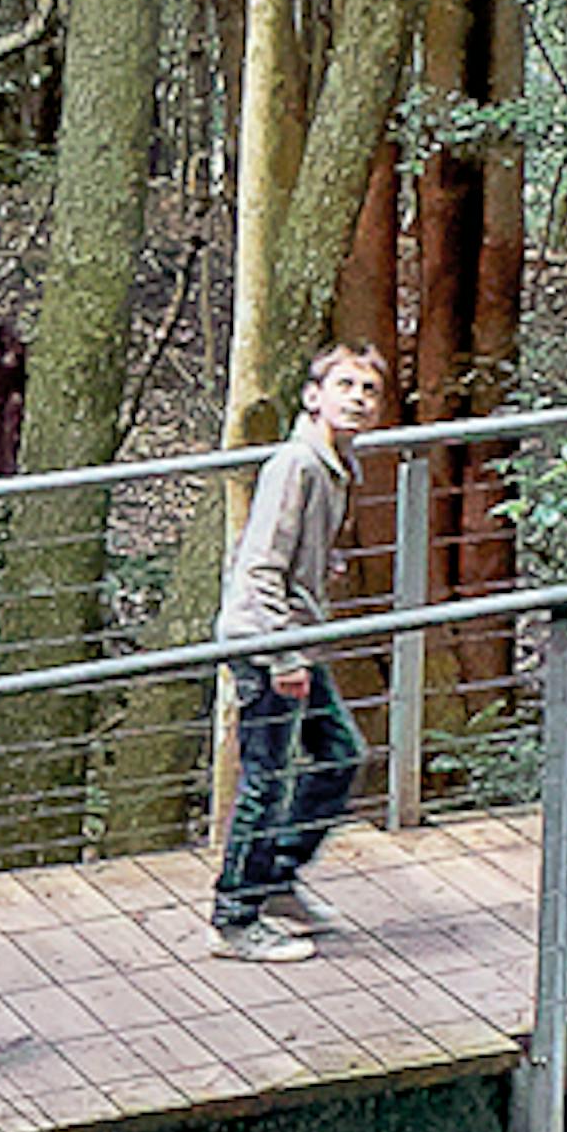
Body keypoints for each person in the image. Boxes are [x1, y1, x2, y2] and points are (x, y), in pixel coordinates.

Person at [210, 338, 387, 960]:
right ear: (314, 397)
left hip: (296, 637)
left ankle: (278, 878)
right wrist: (283, 658)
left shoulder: (336, 465)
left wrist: (325, 565)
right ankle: (236, 916)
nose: (359, 400)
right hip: (267, 643)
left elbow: (292, 555)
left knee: (340, 755)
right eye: (345, 386)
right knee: (265, 777)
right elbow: (259, 568)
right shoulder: (297, 465)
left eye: (369, 390)